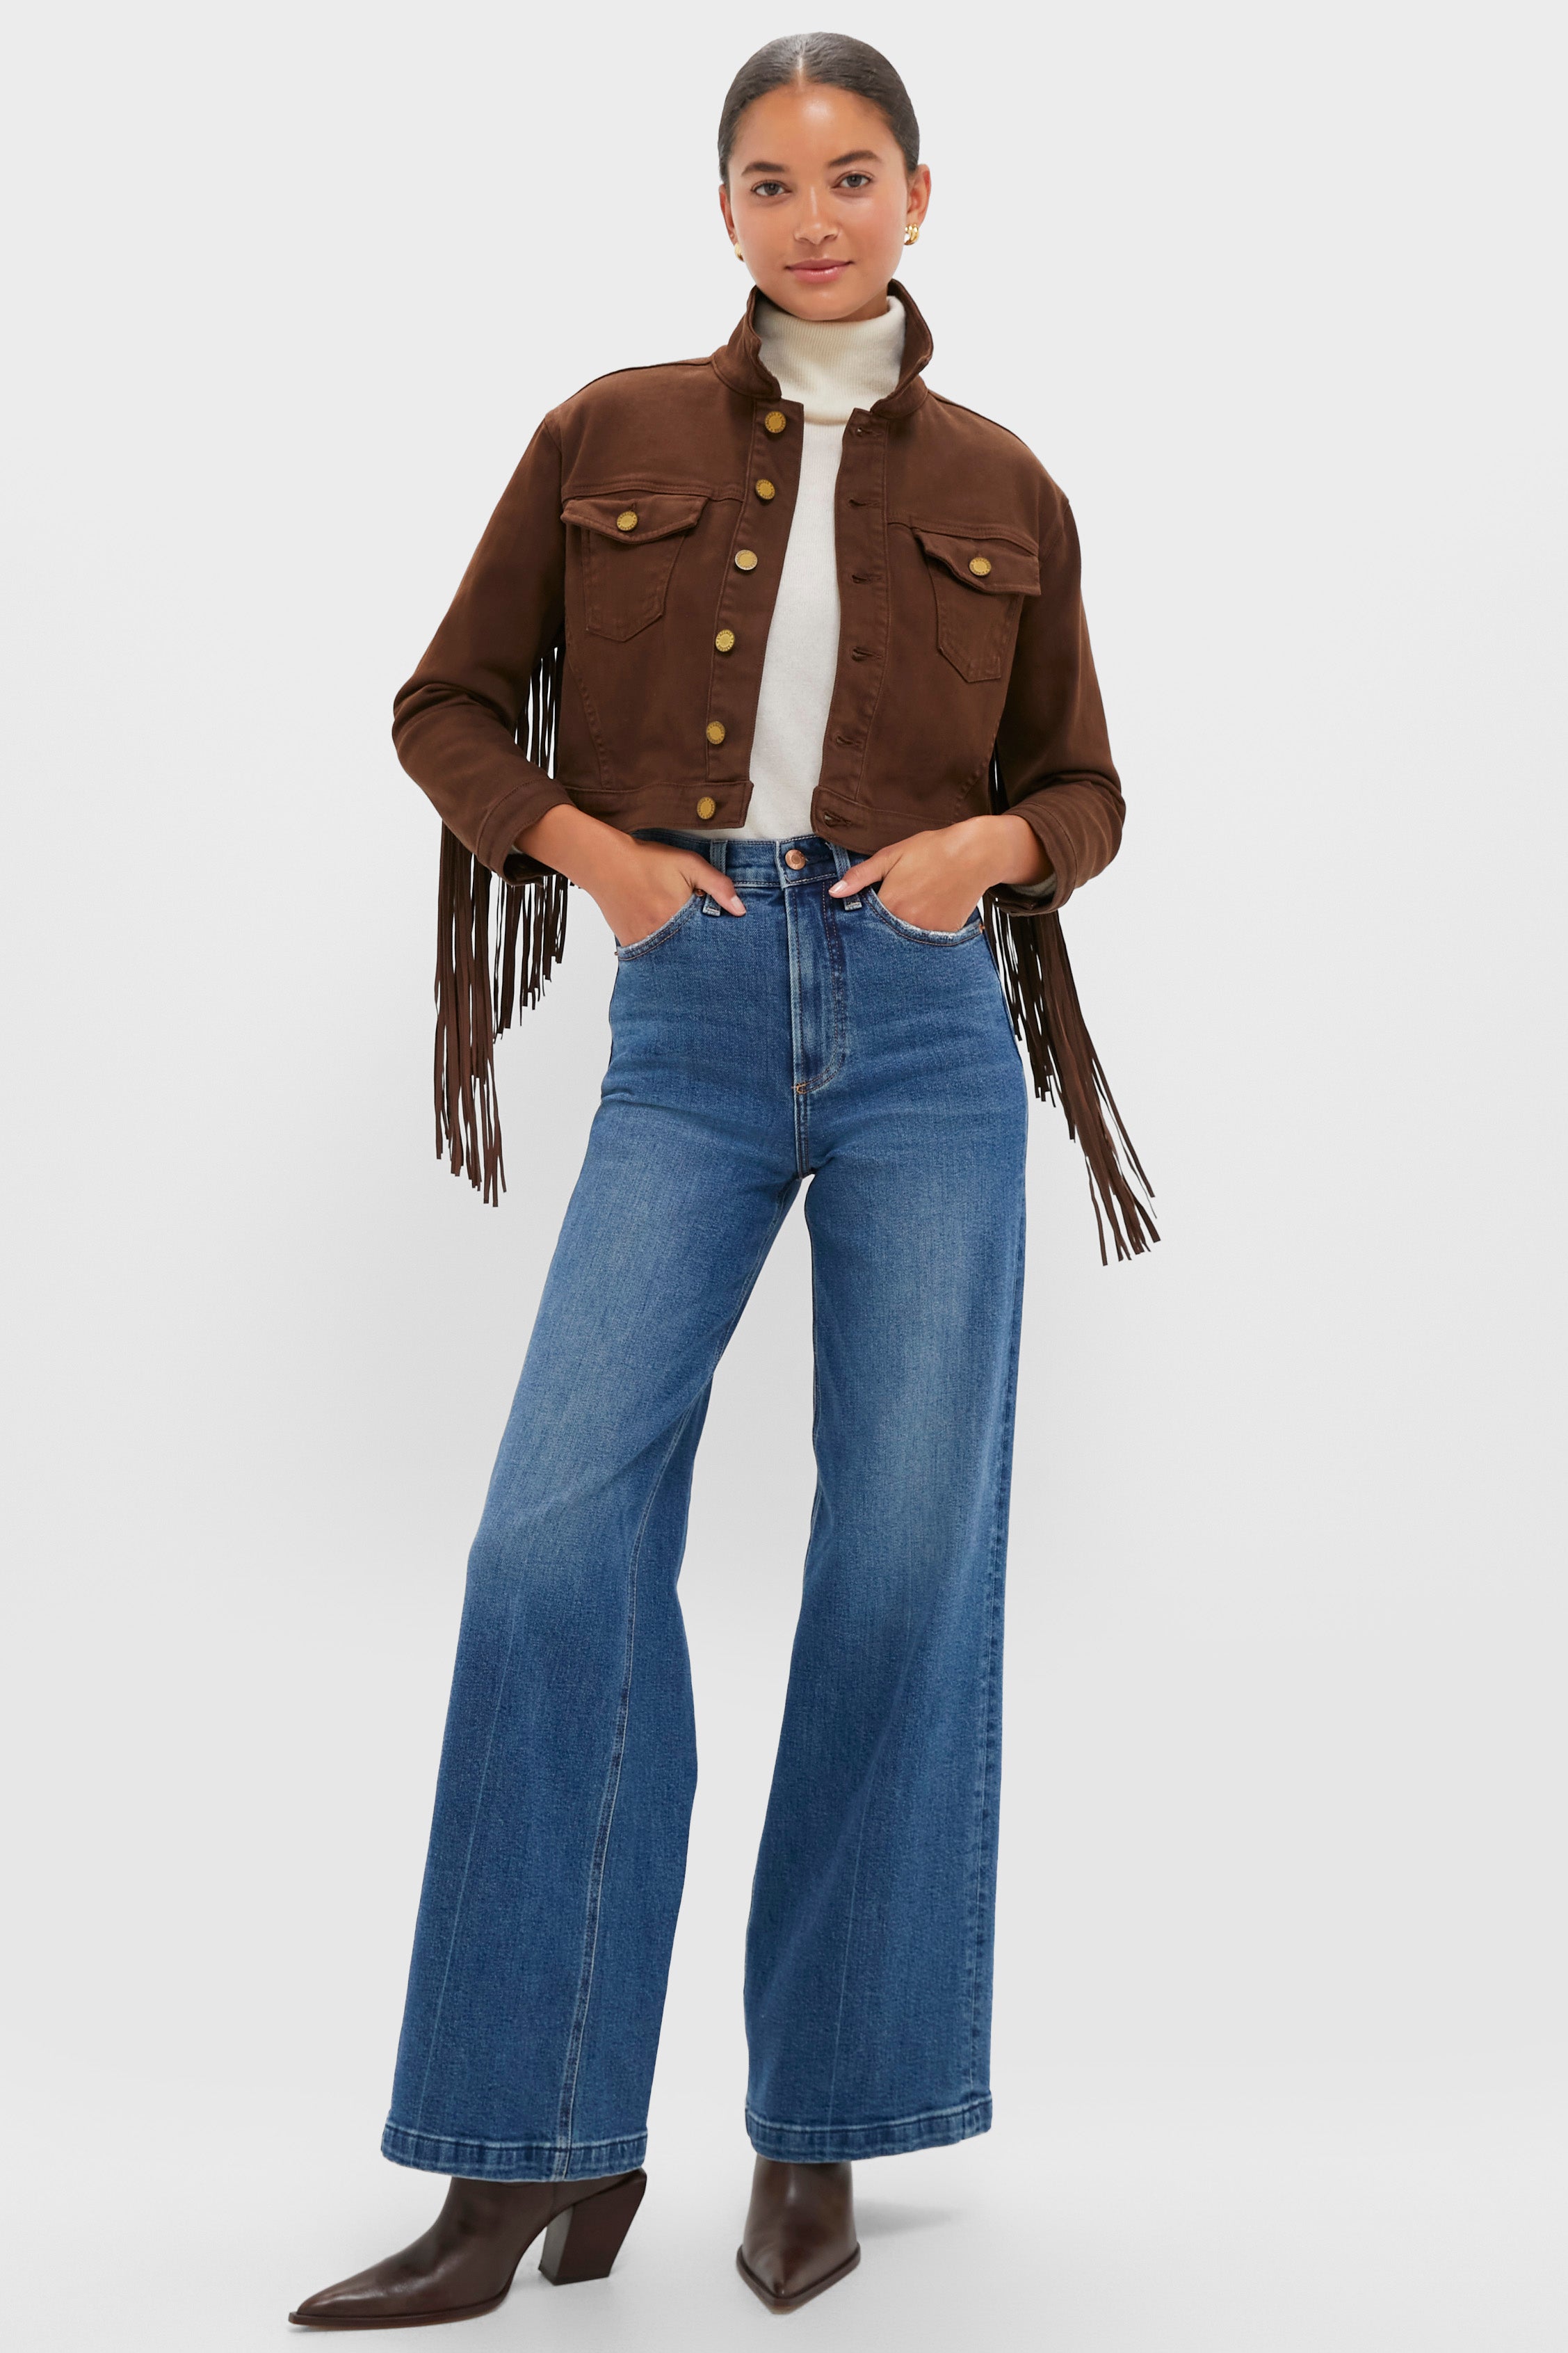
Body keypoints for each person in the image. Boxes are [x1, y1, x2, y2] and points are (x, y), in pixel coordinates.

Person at [290, 29, 1153, 2331]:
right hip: (685, 1018)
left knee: (902, 1563)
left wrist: (987, 849)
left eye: (853, 174)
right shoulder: (611, 436)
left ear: (920, 198)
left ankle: (820, 2129)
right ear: (724, 211)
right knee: (550, 1546)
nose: (814, 214)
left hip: (927, 1033)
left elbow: (1086, 786)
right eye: (770, 180)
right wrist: (593, 856)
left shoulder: (1004, 481)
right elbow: (446, 707)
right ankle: (530, 2150)